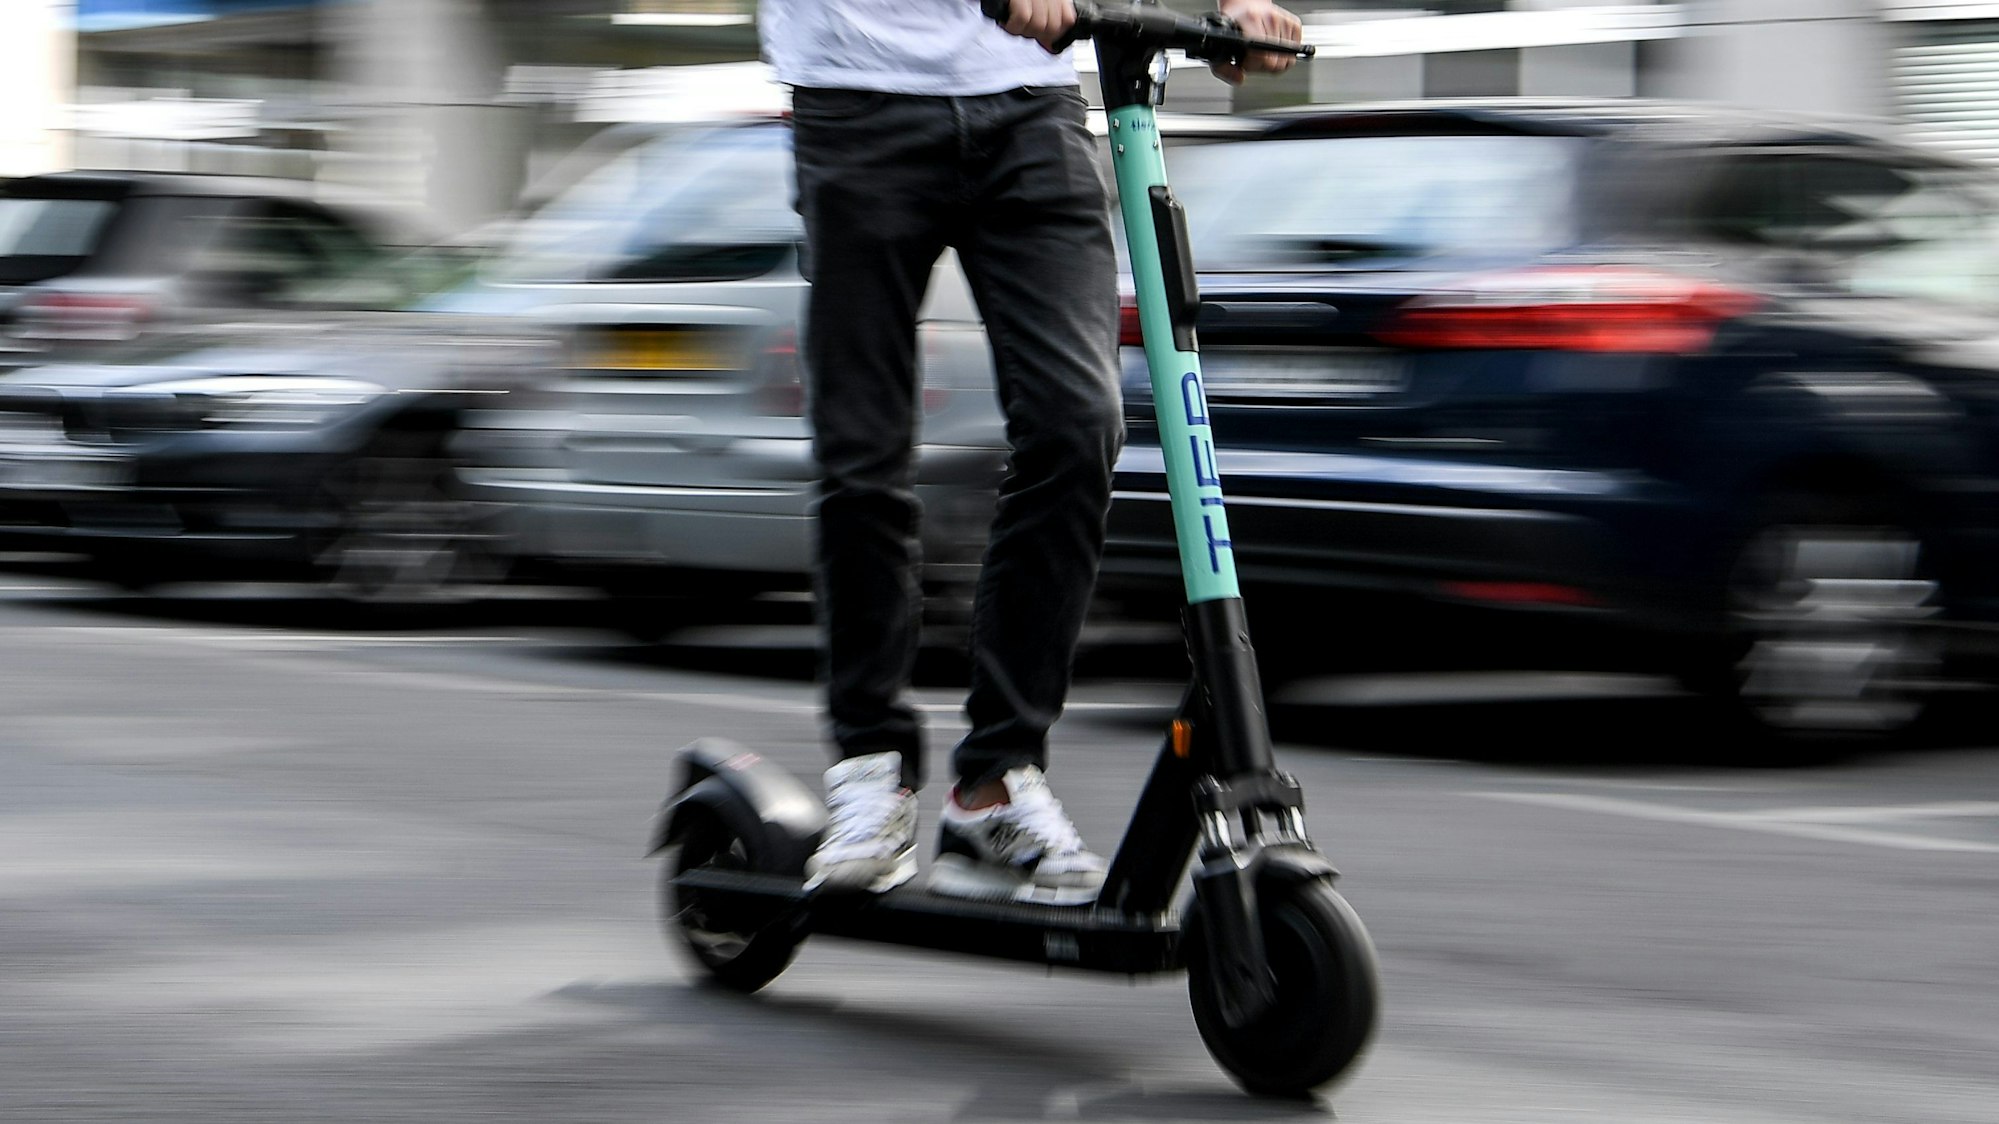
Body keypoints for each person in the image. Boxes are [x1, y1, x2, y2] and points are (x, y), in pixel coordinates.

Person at [770, 0, 1301, 901]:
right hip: (856, 97)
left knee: (1078, 425)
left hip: (1028, 107)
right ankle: (869, 769)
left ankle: (993, 782)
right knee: (864, 457)